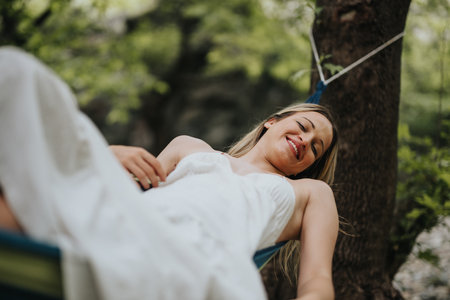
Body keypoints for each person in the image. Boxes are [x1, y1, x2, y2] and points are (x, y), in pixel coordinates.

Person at [0, 46, 339, 300]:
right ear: (273, 122)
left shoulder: (310, 194)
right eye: (304, 127)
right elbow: (126, 190)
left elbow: (317, 282)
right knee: (17, 72)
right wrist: (109, 154)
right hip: (135, 220)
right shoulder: (189, 146)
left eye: (315, 147)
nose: (306, 141)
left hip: (198, 258)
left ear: (309, 164)